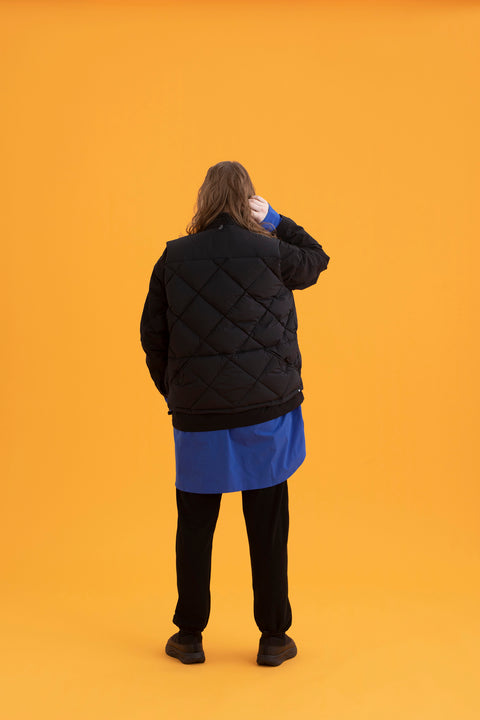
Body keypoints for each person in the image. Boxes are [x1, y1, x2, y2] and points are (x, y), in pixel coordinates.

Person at [139, 161, 330, 666]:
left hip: (198, 417)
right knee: (267, 524)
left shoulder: (172, 257)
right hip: (265, 412)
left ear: (203, 199)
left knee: (195, 525)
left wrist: (178, 393)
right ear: (248, 201)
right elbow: (318, 260)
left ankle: (188, 636)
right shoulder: (272, 251)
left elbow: (152, 336)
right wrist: (277, 220)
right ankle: (273, 638)